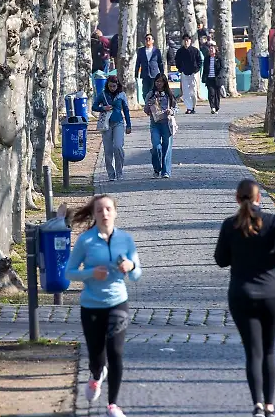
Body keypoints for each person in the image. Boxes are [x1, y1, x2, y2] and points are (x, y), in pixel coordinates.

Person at [215, 179, 275, 417]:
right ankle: (270, 404)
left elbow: (221, 259)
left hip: (242, 292)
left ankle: (257, 405)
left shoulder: (230, 225)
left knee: (253, 351)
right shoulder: (272, 221)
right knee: (269, 350)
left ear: (237, 198)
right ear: (259, 198)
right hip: (271, 290)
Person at [65, 195, 142, 417]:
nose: (105, 213)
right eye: (100, 210)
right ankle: (96, 374)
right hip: (91, 305)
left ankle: (113, 405)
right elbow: (69, 272)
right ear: (94, 214)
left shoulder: (125, 240)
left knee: (116, 352)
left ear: (115, 212)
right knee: (96, 354)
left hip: (118, 302)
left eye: (108, 209)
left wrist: (131, 265)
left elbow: (137, 275)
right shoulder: (85, 241)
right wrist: (91, 273)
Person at [92, 75, 132, 181]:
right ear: (107, 85)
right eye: (110, 86)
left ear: (117, 85)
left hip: (118, 123)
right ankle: (111, 173)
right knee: (108, 150)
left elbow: (126, 110)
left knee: (118, 146)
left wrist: (129, 125)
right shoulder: (103, 94)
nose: (112, 88)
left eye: (114, 86)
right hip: (106, 125)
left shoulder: (122, 95)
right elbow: (94, 106)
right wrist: (103, 108)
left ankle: (119, 172)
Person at [144, 73, 176, 178]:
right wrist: (149, 106)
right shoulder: (150, 94)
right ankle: (157, 169)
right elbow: (146, 110)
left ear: (165, 83)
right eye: (157, 81)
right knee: (156, 146)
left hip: (167, 124)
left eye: (161, 81)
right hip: (155, 124)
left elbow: (176, 108)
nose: (159, 84)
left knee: (167, 147)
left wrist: (171, 111)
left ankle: (166, 171)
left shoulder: (169, 94)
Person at [175, 33, 202, 114]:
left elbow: (199, 61)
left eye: (187, 40)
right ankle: (188, 108)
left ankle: (193, 106)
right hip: (184, 73)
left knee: (193, 91)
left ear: (190, 41)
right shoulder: (180, 51)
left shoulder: (195, 50)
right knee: (186, 91)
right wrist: (180, 69)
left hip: (193, 73)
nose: (186, 42)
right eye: (185, 40)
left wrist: (196, 69)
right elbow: (177, 61)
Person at [134, 32, 164, 100]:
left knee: (154, 91)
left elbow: (160, 63)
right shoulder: (141, 51)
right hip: (145, 74)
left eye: (149, 39)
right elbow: (138, 63)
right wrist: (136, 74)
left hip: (154, 75)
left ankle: (154, 105)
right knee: (145, 92)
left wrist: (162, 73)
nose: (147, 40)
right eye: (146, 39)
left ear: (153, 41)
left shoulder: (156, 51)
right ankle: (147, 105)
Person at [201, 44, 225, 114]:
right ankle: (212, 107)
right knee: (211, 93)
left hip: (217, 79)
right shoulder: (207, 59)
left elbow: (222, 68)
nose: (211, 50)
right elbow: (205, 69)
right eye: (210, 49)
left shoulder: (219, 58)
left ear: (215, 50)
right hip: (209, 79)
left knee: (217, 94)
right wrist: (204, 78)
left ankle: (217, 107)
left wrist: (220, 75)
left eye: (212, 49)